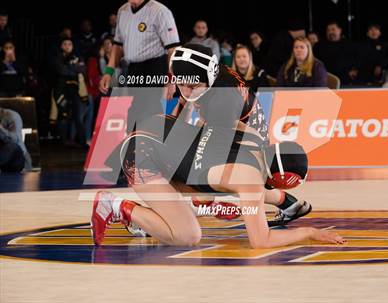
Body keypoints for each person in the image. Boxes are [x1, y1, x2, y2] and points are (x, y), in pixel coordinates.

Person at [91, 113, 345, 248]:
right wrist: (310, 233)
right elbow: (261, 241)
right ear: (283, 178)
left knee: (207, 184)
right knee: (187, 235)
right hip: (142, 155)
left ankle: (181, 207)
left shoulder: (254, 136)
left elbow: (205, 118)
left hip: (159, 127)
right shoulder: (252, 181)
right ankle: (113, 206)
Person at [99, 0, 181, 129]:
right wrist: (109, 71)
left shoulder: (160, 11)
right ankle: (135, 146)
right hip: (133, 68)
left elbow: (173, 49)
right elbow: (118, 45)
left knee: (149, 112)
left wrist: (172, 79)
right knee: (134, 113)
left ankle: (147, 147)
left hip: (155, 66)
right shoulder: (123, 10)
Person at [53, 37, 86, 146]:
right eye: (65, 44)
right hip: (61, 90)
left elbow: (82, 69)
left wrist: (69, 68)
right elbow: (62, 71)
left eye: (69, 44)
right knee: (63, 114)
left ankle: (82, 141)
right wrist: (73, 67)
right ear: (61, 46)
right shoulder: (57, 58)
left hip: (75, 90)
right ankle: (64, 141)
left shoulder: (77, 57)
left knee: (78, 116)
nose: (67, 46)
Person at [0, 107, 31, 172]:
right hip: (3, 160)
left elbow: (15, 140)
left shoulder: (11, 116)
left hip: (17, 158)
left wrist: (1, 129)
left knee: (12, 146)